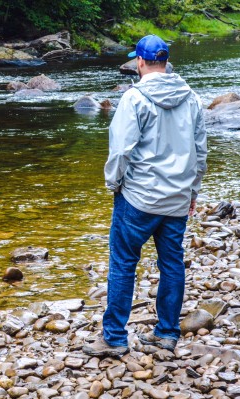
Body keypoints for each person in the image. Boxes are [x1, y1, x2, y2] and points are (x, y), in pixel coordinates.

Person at [83, 34, 207, 357]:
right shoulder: (191, 97)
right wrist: (193, 191)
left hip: (138, 199)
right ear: (165, 63)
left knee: (123, 262)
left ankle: (114, 337)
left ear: (139, 62)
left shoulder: (134, 99)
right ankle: (166, 334)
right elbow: (200, 152)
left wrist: (113, 184)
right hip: (177, 199)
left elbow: (121, 151)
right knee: (171, 263)